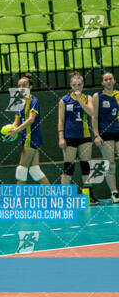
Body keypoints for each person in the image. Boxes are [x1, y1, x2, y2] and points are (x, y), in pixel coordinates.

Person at [58, 71, 98, 205]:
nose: (76, 87)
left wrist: (80, 99)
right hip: (69, 136)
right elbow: (61, 120)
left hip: (84, 135)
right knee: (68, 166)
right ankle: (64, 197)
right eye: (74, 85)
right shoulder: (64, 100)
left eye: (79, 85)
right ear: (70, 85)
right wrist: (61, 137)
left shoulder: (88, 97)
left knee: (86, 165)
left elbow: (91, 112)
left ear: (82, 85)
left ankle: (88, 195)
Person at [7, 74, 49, 184]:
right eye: (19, 85)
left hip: (32, 137)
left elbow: (31, 119)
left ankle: (19, 199)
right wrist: (11, 131)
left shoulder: (34, 100)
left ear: (30, 87)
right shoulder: (18, 101)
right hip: (25, 137)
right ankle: (54, 196)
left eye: (24, 85)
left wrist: (17, 130)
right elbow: (16, 121)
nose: (21, 88)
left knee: (21, 170)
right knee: (35, 171)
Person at [92, 71, 119, 203]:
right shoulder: (98, 96)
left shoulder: (118, 95)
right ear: (103, 83)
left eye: (110, 79)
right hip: (106, 133)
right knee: (110, 163)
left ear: (114, 81)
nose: (109, 81)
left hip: (118, 131)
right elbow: (94, 117)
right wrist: (96, 135)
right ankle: (114, 192)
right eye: (106, 79)